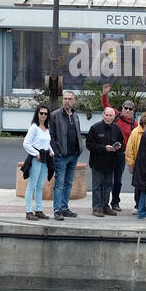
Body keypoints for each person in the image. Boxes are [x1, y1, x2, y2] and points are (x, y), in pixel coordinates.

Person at [49, 91, 83, 220]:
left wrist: (80, 149)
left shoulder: (75, 115)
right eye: (65, 99)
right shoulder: (55, 115)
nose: (67, 101)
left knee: (68, 182)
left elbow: (78, 133)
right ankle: (57, 210)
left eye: (69, 99)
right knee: (59, 183)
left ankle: (64, 207)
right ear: (62, 100)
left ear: (74, 101)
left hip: (74, 155)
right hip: (61, 156)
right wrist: (57, 151)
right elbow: (52, 136)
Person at [100, 84, 134, 213]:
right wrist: (104, 94)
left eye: (130, 109)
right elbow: (106, 106)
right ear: (122, 108)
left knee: (117, 180)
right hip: (109, 152)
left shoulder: (134, 124)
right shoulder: (116, 116)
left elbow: (135, 141)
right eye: (125, 108)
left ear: (133, 111)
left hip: (121, 154)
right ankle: (104, 203)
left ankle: (115, 202)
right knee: (106, 179)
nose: (127, 110)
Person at [86, 107, 124, 217]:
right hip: (97, 162)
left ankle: (105, 206)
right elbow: (89, 144)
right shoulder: (95, 127)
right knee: (97, 186)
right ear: (103, 115)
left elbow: (121, 143)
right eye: (106, 115)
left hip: (111, 162)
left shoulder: (117, 128)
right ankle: (97, 208)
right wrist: (104, 148)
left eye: (111, 115)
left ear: (114, 117)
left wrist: (119, 147)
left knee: (108, 185)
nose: (108, 117)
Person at [22, 105, 53, 221]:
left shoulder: (47, 128)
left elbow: (47, 143)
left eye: (46, 113)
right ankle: (28, 211)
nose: (44, 116)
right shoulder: (34, 128)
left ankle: (38, 210)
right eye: (41, 113)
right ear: (37, 114)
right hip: (36, 159)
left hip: (46, 158)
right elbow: (26, 143)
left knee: (40, 186)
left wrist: (51, 151)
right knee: (32, 185)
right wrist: (36, 154)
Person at [125, 111, 146, 211]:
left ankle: (145, 206)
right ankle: (137, 205)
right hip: (138, 163)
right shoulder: (135, 132)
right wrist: (130, 164)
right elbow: (129, 149)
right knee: (138, 186)